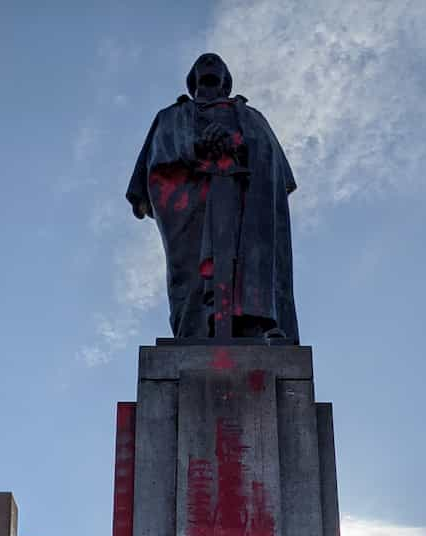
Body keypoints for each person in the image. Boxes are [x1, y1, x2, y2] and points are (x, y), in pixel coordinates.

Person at [127, 53, 299, 342]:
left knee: (245, 266)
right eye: (202, 64)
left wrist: (236, 141)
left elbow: (274, 165)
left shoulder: (251, 116)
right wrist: (198, 147)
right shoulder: (172, 116)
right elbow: (157, 158)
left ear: (226, 80)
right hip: (192, 204)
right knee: (193, 278)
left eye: (215, 63)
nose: (209, 65)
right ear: (192, 80)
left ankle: (252, 327)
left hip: (243, 199)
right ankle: (195, 329)